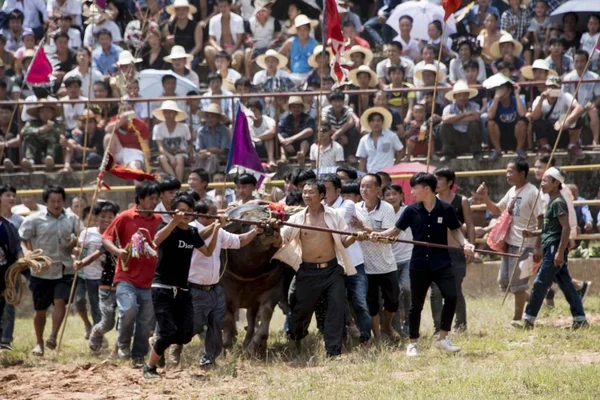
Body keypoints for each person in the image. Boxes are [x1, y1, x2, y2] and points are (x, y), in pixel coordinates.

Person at [372, 173, 475, 357]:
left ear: (426, 189)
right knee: (416, 305)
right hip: (419, 263)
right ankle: (413, 343)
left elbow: (455, 230)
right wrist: (377, 234)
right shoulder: (411, 210)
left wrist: (465, 244)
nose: (411, 192)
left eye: (414, 188)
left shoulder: (446, 208)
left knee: (451, 297)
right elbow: (395, 231)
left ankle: (443, 338)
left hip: (441, 262)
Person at [273, 179, 359, 358]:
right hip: (307, 271)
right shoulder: (297, 219)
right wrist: (273, 230)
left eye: (311, 192)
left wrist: (357, 237)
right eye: (304, 192)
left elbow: (344, 241)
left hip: (332, 270)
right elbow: (282, 239)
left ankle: (333, 351)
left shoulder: (334, 215)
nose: (306, 195)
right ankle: (296, 339)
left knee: (336, 309)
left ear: (321, 195)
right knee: (299, 312)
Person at [143, 192, 221, 379]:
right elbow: (156, 240)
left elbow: (208, 252)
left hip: (183, 290)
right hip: (162, 288)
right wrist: (173, 222)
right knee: (168, 331)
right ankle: (149, 367)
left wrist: (217, 228)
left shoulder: (192, 233)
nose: (185, 214)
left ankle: (156, 341)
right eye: (181, 211)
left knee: (185, 334)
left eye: (188, 211)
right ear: (173, 212)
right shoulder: (167, 228)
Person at [184, 199, 263, 368]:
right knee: (194, 325)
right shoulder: (189, 230)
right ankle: (166, 341)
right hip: (194, 288)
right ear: (201, 216)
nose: (217, 216)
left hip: (214, 287)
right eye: (213, 214)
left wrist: (255, 232)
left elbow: (238, 241)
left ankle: (209, 359)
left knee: (216, 324)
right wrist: (217, 225)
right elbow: (199, 238)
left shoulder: (218, 231)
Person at [101, 181, 163, 366]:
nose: (154, 202)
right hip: (126, 276)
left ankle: (138, 356)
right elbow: (106, 238)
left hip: (151, 279)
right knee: (128, 309)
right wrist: (118, 252)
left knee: (145, 321)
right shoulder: (125, 217)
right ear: (140, 199)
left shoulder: (160, 220)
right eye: (151, 198)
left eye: (157, 199)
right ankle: (123, 344)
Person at [476, 158, 543, 326]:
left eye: (511, 171)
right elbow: (497, 209)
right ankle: (534, 303)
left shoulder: (533, 192)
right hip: (510, 243)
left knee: (518, 284)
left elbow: (541, 219)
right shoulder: (512, 190)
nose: (507, 175)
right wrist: (485, 197)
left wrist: (537, 246)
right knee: (504, 281)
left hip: (526, 244)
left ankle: (517, 319)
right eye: (506, 171)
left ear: (522, 173)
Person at [520, 168, 588, 330]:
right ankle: (580, 318)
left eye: (545, 180)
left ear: (556, 183)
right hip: (551, 247)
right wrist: (532, 233)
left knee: (540, 283)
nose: (541, 184)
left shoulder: (558, 202)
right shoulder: (552, 202)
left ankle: (528, 319)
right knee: (566, 285)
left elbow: (565, 229)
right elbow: (551, 229)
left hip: (553, 249)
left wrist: (559, 252)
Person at [19, 185, 80, 356]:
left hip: (64, 269)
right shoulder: (34, 219)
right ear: (46, 202)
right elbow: (22, 239)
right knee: (40, 310)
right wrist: (27, 252)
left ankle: (52, 336)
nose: (56, 204)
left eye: (59, 201)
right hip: (41, 271)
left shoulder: (72, 218)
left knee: (60, 300)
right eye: (53, 201)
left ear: (63, 201)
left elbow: (82, 235)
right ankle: (39, 342)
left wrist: (75, 243)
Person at [321, 174, 371, 344]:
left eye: (326, 189)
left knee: (360, 302)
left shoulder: (348, 205)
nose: (323, 193)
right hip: (333, 265)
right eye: (321, 189)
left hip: (354, 263)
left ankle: (366, 339)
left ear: (338, 191)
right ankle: (342, 337)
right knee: (336, 303)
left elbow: (335, 218)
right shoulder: (318, 207)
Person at [352, 174, 399, 341]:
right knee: (372, 304)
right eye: (362, 186)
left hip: (386, 264)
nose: (364, 190)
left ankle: (387, 326)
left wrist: (366, 229)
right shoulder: (355, 208)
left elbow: (388, 234)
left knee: (393, 301)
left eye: (368, 186)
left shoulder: (386, 208)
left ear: (378, 189)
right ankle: (378, 337)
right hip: (365, 265)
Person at [430, 168, 475, 334]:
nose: (436, 183)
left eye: (439, 179)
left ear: (450, 182)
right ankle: (438, 328)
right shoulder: (430, 200)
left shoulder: (461, 201)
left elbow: (470, 225)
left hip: (456, 251)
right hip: (436, 252)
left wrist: (470, 246)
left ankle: (461, 325)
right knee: (435, 291)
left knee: (454, 289)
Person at [382, 183, 412, 335]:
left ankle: (408, 322)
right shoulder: (383, 213)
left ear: (401, 196)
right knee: (394, 294)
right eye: (387, 195)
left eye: (395, 194)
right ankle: (395, 327)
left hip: (408, 259)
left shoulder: (409, 211)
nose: (391, 197)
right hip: (389, 261)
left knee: (407, 288)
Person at [531, 76, 585, 158]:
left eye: (555, 87)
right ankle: (545, 147)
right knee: (538, 122)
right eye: (550, 87)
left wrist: (567, 121)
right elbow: (534, 117)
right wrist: (541, 100)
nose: (552, 90)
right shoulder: (539, 99)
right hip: (549, 133)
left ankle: (572, 145)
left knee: (578, 118)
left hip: (563, 130)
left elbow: (579, 108)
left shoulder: (565, 96)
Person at [0, 184, 23, 350]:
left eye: (12, 195)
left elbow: (18, 248)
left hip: (7, 271)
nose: (11, 198)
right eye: (7, 195)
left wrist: (21, 262)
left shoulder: (11, 225)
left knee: (7, 305)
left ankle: (5, 340)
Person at [486, 73, 528, 159]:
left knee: (522, 122)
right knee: (490, 123)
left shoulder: (517, 100)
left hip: (515, 134)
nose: (499, 91)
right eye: (497, 89)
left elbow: (522, 114)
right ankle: (497, 150)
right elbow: (490, 116)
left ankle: (519, 149)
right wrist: (496, 98)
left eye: (501, 88)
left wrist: (516, 94)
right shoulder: (492, 102)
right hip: (501, 135)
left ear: (509, 90)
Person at [563, 50, 600, 146]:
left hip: (586, 109)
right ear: (573, 62)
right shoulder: (568, 78)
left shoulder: (594, 77)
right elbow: (563, 98)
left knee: (593, 110)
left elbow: (599, 97)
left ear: (587, 62)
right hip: (572, 109)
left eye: (582, 61)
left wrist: (593, 104)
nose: (579, 64)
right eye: (576, 61)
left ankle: (595, 141)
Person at [440, 80, 483, 162]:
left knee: (474, 124)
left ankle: (477, 152)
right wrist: (465, 114)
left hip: (469, 138)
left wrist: (454, 119)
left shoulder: (474, 105)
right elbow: (445, 120)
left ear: (468, 96)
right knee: (443, 126)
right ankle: (449, 153)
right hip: (455, 138)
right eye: (459, 95)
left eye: (464, 95)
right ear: (455, 97)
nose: (462, 98)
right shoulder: (448, 108)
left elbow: (476, 117)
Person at [153, 101, 192, 182]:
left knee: (179, 158)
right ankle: (175, 181)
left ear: (175, 113)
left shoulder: (184, 127)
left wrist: (187, 151)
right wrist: (170, 157)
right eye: (166, 112)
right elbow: (160, 147)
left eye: (171, 112)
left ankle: (179, 182)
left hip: (181, 153)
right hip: (166, 154)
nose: (168, 115)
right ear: (163, 114)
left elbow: (190, 143)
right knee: (162, 158)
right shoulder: (158, 128)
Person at [20, 100, 63, 172]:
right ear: (38, 113)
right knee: (29, 138)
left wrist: (51, 130)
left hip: (53, 149)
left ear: (52, 113)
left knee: (52, 138)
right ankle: (30, 161)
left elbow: (60, 133)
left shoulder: (57, 123)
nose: (45, 114)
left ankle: (50, 160)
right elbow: (24, 131)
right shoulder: (32, 122)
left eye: (48, 111)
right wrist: (39, 130)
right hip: (37, 147)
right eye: (42, 111)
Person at [356, 107, 403, 173]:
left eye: (378, 120)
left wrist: (395, 164)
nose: (376, 123)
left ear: (382, 122)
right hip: (372, 173)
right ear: (369, 123)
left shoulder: (391, 136)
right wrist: (361, 175)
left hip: (388, 173)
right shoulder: (364, 140)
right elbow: (362, 160)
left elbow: (401, 150)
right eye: (372, 121)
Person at [205, 0, 245, 73]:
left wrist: (232, 50)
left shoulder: (238, 19)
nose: (223, 9)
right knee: (208, 50)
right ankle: (214, 75)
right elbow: (211, 39)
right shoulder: (213, 20)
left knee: (238, 55)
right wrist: (219, 49)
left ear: (229, 6)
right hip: (220, 48)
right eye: (220, 7)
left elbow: (240, 39)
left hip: (234, 49)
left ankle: (234, 77)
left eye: (225, 6)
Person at [279, 14, 318, 85]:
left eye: (305, 29)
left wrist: (312, 73)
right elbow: (278, 56)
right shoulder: (290, 42)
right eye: (299, 29)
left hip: (309, 75)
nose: (302, 32)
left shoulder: (315, 44)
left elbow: (319, 61)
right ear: (296, 30)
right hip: (293, 75)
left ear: (309, 29)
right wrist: (286, 70)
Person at [163, 0, 203, 69]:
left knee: (187, 66)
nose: (181, 12)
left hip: (190, 52)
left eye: (183, 9)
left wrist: (188, 56)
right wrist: (169, 42)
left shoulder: (196, 26)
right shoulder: (170, 26)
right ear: (175, 11)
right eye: (178, 9)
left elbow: (198, 45)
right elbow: (166, 45)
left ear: (187, 10)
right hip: (174, 54)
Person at [277, 96, 315, 167]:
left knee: (306, 139)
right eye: (294, 107)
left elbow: (310, 131)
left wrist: (292, 139)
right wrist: (284, 142)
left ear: (302, 108)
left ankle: (301, 155)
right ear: (290, 108)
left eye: (298, 107)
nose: (296, 109)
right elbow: (279, 133)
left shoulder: (308, 118)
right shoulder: (285, 119)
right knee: (283, 138)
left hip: (305, 147)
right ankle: (283, 158)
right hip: (289, 146)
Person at [195, 104, 230, 175]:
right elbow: (199, 149)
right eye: (208, 117)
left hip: (220, 156)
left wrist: (209, 151)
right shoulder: (201, 130)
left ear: (218, 118)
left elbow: (223, 150)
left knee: (212, 158)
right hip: (205, 154)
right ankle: (199, 177)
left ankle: (207, 178)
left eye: (212, 117)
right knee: (199, 157)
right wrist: (208, 152)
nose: (210, 119)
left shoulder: (224, 130)